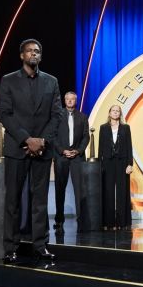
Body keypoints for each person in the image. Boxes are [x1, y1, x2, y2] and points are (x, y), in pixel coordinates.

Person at [0, 39, 62, 263]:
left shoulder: (51, 81)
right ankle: (10, 247)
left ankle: (40, 246)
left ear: (40, 56)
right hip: (17, 148)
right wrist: (27, 139)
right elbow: (5, 114)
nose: (34, 54)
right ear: (22, 55)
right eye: (30, 51)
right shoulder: (8, 80)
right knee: (12, 200)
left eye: (37, 51)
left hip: (43, 149)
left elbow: (57, 115)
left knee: (40, 201)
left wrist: (41, 141)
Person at [53, 91, 90, 232]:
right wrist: (62, 150)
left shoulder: (82, 117)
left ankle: (82, 220)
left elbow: (86, 137)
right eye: (67, 99)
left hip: (77, 157)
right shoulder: (57, 116)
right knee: (59, 189)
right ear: (64, 101)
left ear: (76, 101)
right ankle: (59, 220)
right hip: (61, 157)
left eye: (72, 99)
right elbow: (53, 135)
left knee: (80, 190)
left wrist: (78, 151)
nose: (69, 101)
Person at [98, 104, 133, 229]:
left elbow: (129, 146)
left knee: (122, 191)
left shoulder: (126, 128)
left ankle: (122, 222)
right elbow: (100, 147)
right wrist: (100, 164)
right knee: (108, 191)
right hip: (108, 162)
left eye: (118, 111)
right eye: (113, 110)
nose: (115, 112)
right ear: (109, 113)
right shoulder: (103, 128)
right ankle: (108, 222)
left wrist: (130, 164)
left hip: (122, 162)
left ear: (120, 114)